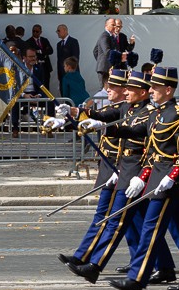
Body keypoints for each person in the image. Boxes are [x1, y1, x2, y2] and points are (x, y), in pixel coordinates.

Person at [65, 71, 176, 285]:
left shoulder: (149, 113)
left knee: (117, 221)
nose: (125, 91)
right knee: (141, 224)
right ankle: (165, 267)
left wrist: (141, 175)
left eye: (130, 89)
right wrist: (71, 115)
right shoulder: (126, 107)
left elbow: (143, 141)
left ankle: (96, 266)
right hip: (125, 170)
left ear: (142, 92)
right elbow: (103, 115)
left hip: (137, 171)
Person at [110, 67, 179, 290]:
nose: (150, 90)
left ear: (168, 89)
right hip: (156, 177)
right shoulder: (155, 114)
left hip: (169, 182)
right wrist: (99, 127)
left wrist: (172, 177)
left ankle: (137, 278)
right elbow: (135, 131)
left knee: (150, 229)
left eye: (155, 87)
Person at [53, 69, 129, 268]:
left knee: (110, 217)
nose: (108, 89)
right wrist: (66, 118)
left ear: (124, 89)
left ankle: (88, 259)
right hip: (108, 166)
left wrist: (120, 167)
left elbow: (102, 119)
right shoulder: (116, 106)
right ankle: (83, 256)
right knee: (128, 221)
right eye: (108, 85)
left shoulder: (125, 109)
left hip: (118, 167)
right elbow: (94, 116)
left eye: (113, 87)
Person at [11, 48, 44, 138]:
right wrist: (24, 95)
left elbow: (42, 85)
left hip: (35, 93)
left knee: (50, 102)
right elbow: (15, 87)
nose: (33, 58)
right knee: (15, 103)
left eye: (34, 56)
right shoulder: (18, 68)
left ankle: (47, 127)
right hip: (23, 93)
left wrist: (39, 95)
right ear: (24, 58)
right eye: (30, 57)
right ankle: (15, 128)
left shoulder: (39, 69)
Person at [26, 24, 54, 90]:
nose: (35, 33)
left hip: (46, 66)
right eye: (33, 31)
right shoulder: (28, 42)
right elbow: (32, 53)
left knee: (46, 85)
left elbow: (50, 51)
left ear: (41, 32)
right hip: (36, 66)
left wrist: (40, 51)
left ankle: (46, 100)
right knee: (37, 85)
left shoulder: (45, 40)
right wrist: (44, 52)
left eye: (37, 31)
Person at [56, 24, 80, 94]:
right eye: (57, 31)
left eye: (58, 30)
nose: (57, 32)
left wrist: (70, 70)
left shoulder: (73, 41)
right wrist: (59, 73)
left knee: (73, 92)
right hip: (62, 74)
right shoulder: (59, 44)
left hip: (71, 73)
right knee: (63, 92)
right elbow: (59, 60)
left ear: (65, 30)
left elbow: (75, 58)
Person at [93, 18, 117, 88]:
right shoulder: (105, 35)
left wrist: (101, 60)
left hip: (107, 67)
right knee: (104, 90)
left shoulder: (111, 36)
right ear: (106, 25)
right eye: (113, 25)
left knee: (110, 89)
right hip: (104, 69)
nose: (114, 27)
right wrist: (102, 62)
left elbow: (95, 50)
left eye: (115, 25)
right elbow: (107, 51)